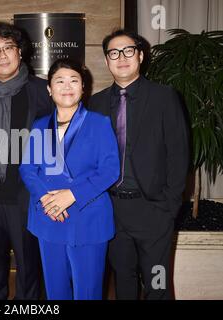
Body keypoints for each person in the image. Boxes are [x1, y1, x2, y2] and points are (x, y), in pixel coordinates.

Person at [89, 29, 189, 300]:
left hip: (152, 210)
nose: (121, 57)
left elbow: (179, 154)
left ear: (141, 56)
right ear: (107, 61)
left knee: (157, 282)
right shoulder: (95, 104)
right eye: (114, 53)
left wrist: (169, 205)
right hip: (111, 209)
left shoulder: (164, 97)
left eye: (128, 51)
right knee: (123, 280)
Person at [0, 22, 54, 300]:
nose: (2, 55)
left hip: (24, 198)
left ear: (20, 52)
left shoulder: (42, 90)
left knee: (29, 270)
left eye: (8, 48)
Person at [19, 59, 120, 300]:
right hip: (49, 216)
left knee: (88, 292)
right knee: (55, 291)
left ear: (83, 87)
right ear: (49, 89)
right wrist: (46, 199)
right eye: (59, 81)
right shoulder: (40, 126)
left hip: (88, 217)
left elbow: (110, 170)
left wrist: (72, 195)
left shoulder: (99, 123)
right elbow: (27, 169)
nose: (67, 86)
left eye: (74, 80)